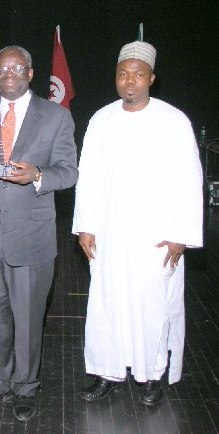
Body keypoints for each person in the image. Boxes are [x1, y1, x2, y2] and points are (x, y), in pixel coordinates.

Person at [72, 41, 203, 406]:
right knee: (107, 303)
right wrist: (85, 225)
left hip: (156, 236)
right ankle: (107, 372)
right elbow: (89, 176)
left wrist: (182, 235)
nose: (130, 82)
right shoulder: (102, 119)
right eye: (123, 74)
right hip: (110, 233)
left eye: (138, 74)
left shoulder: (174, 121)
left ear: (151, 79)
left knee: (152, 306)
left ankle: (151, 376)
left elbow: (189, 180)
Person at [0, 45, 78, 421]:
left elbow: (69, 171)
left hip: (31, 235)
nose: (9, 73)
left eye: (17, 67)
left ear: (30, 72)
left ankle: (26, 386)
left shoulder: (55, 117)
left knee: (27, 316)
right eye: (2, 68)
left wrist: (38, 175)